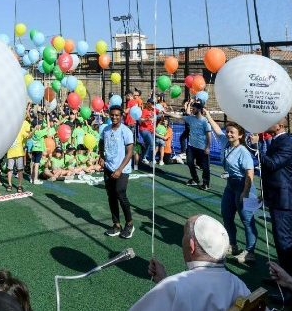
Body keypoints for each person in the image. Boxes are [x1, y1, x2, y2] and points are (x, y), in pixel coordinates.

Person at [131, 214, 250, 311]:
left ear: (191, 246)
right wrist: (164, 280)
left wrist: (165, 284)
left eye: (184, 235)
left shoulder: (173, 287)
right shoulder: (239, 285)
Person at [249, 116, 292, 301]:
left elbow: (271, 164)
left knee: (285, 241)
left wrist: (256, 148)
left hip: (284, 199)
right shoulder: (277, 141)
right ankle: (282, 278)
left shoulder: (287, 144)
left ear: (280, 125)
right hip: (277, 197)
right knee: (280, 241)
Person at [219, 122, 257, 264]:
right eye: (227, 131)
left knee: (247, 220)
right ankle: (232, 245)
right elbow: (217, 131)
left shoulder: (243, 152)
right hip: (230, 186)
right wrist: (207, 116)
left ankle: (250, 252)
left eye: (232, 132)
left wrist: (245, 193)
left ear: (240, 135)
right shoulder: (227, 146)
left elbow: (249, 173)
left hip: (243, 186)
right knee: (227, 215)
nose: (228, 134)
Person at [100, 104, 134, 239]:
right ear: (109, 115)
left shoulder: (126, 131)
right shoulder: (106, 129)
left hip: (122, 169)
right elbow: (101, 143)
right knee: (111, 196)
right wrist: (101, 156)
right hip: (108, 168)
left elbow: (130, 152)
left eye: (117, 115)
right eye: (112, 115)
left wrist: (120, 169)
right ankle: (116, 224)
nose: (114, 117)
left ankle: (130, 224)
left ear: (121, 116)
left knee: (120, 194)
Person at [183, 99, 216, 190]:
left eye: (193, 109)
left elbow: (209, 135)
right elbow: (178, 116)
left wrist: (208, 147)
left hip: (202, 148)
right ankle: (195, 179)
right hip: (191, 146)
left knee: (205, 167)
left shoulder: (205, 121)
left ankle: (206, 183)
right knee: (189, 162)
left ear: (199, 109)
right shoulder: (190, 118)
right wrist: (166, 112)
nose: (192, 110)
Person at [5, 119, 32, 192]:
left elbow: (28, 136)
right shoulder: (8, 132)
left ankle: (19, 186)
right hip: (10, 153)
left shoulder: (20, 130)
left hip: (19, 153)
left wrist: (34, 130)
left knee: (20, 170)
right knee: (10, 169)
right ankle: (9, 185)